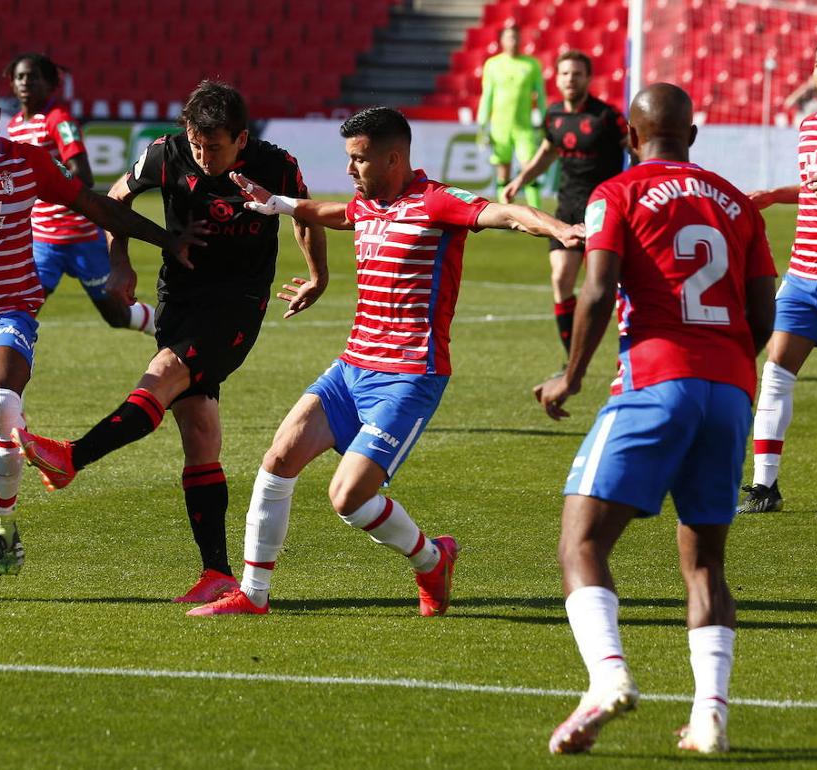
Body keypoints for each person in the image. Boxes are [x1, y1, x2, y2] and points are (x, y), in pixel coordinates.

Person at [186, 106, 584, 618]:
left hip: (410, 376)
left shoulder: (437, 202)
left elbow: (503, 214)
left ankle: (431, 559)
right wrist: (280, 204)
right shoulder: (366, 204)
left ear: (393, 158)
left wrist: (558, 228)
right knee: (276, 462)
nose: (350, 170)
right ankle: (254, 595)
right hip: (351, 368)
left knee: (348, 498)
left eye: (359, 160)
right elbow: (332, 213)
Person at [0, 65, 200, 603]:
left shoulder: (27, 162)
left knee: (2, 408)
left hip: (8, 309)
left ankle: (3, 515)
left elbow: (96, 204)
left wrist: (165, 240)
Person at [13, 81, 327, 604]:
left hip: (237, 304)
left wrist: (317, 276)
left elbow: (305, 216)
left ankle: (73, 458)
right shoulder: (165, 152)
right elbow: (116, 198)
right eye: (198, 144)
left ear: (242, 138)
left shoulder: (275, 164)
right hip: (178, 297)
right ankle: (218, 574)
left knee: (162, 374)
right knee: (199, 432)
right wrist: (120, 260)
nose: (205, 157)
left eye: (217, 147)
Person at [533, 83, 776, 754]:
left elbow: (598, 288)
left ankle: (607, 677)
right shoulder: (738, 204)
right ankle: (710, 717)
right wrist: (725, 367)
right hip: (729, 393)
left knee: (581, 543)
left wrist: (571, 375)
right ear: (692, 137)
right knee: (705, 566)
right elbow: (763, 316)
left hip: (655, 383)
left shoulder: (618, 191)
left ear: (631, 139)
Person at [738, 36, 817, 514]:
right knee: (775, 373)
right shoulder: (808, 128)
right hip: (803, 275)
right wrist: (775, 195)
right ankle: (765, 488)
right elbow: (813, 190)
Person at [5, 52, 156, 335]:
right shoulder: (15, 125)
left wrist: (48, 181)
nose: (25, 82)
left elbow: (82, 173)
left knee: (117, 315)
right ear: (12, 84)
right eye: (19, 77)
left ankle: (165, 325)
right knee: (21, 312)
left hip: (81, 237)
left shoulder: (59, 120)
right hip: (43, 240)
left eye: (33, 77)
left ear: (49, 84)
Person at [502, 51, 628, 358]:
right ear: (557, 78)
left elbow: (635, 151)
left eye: (577, 74)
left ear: (588, 78)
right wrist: (519, 180)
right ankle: (573, 357)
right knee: (561, 278)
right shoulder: (554, 115)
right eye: (565, 74)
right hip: (568, 207)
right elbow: (547, 153)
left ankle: (629, 350)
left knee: (610, 284)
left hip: (604, 208)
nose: (571, 79)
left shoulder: (607, 117)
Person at [477, 26, 547, 208]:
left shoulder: (531, 64)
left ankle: (536, 210)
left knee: (530, 168)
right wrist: (482, 125)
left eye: (516, 37)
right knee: (503, 171)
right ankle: (505, 211)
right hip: (500, 127)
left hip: (523, 127)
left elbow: (540, 95)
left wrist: (545, 120)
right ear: (502, 41)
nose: (513, 41)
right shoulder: (492, 64)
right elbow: (487, 95)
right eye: (510, 38)